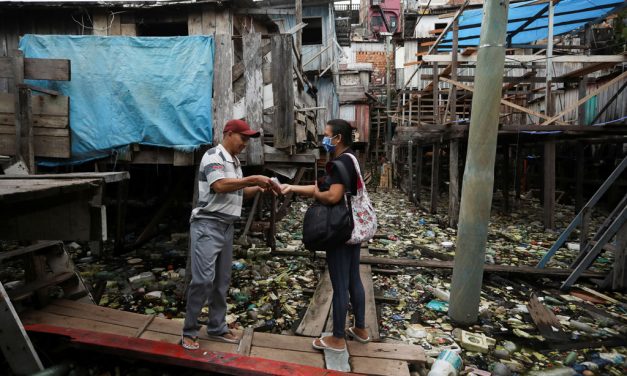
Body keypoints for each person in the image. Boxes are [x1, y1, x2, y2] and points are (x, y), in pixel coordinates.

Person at [181, 119, 274, 350]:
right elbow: (220, 186)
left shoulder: (234, 162)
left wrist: (261, 188)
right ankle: (189, 331)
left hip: (226, 227)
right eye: (243, 138)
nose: (245, 144)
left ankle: (217, 327)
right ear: (229, 133)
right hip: (208, 225)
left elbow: (239, 193)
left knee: (222, 281)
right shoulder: (214, 156)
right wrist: (253, 179)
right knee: (202, 280)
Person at [281, 119, 371, 352]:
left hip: (339, 230)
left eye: (327, 135)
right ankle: (360, 329)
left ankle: (338, 338)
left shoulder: (339, 163)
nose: (324, 139)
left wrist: (316, 197)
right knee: (353, 279)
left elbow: (331, 196)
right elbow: (323, 190)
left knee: (340, 284)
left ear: (338, 138)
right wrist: (291, 188)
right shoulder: (351, 159)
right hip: (352, 228)